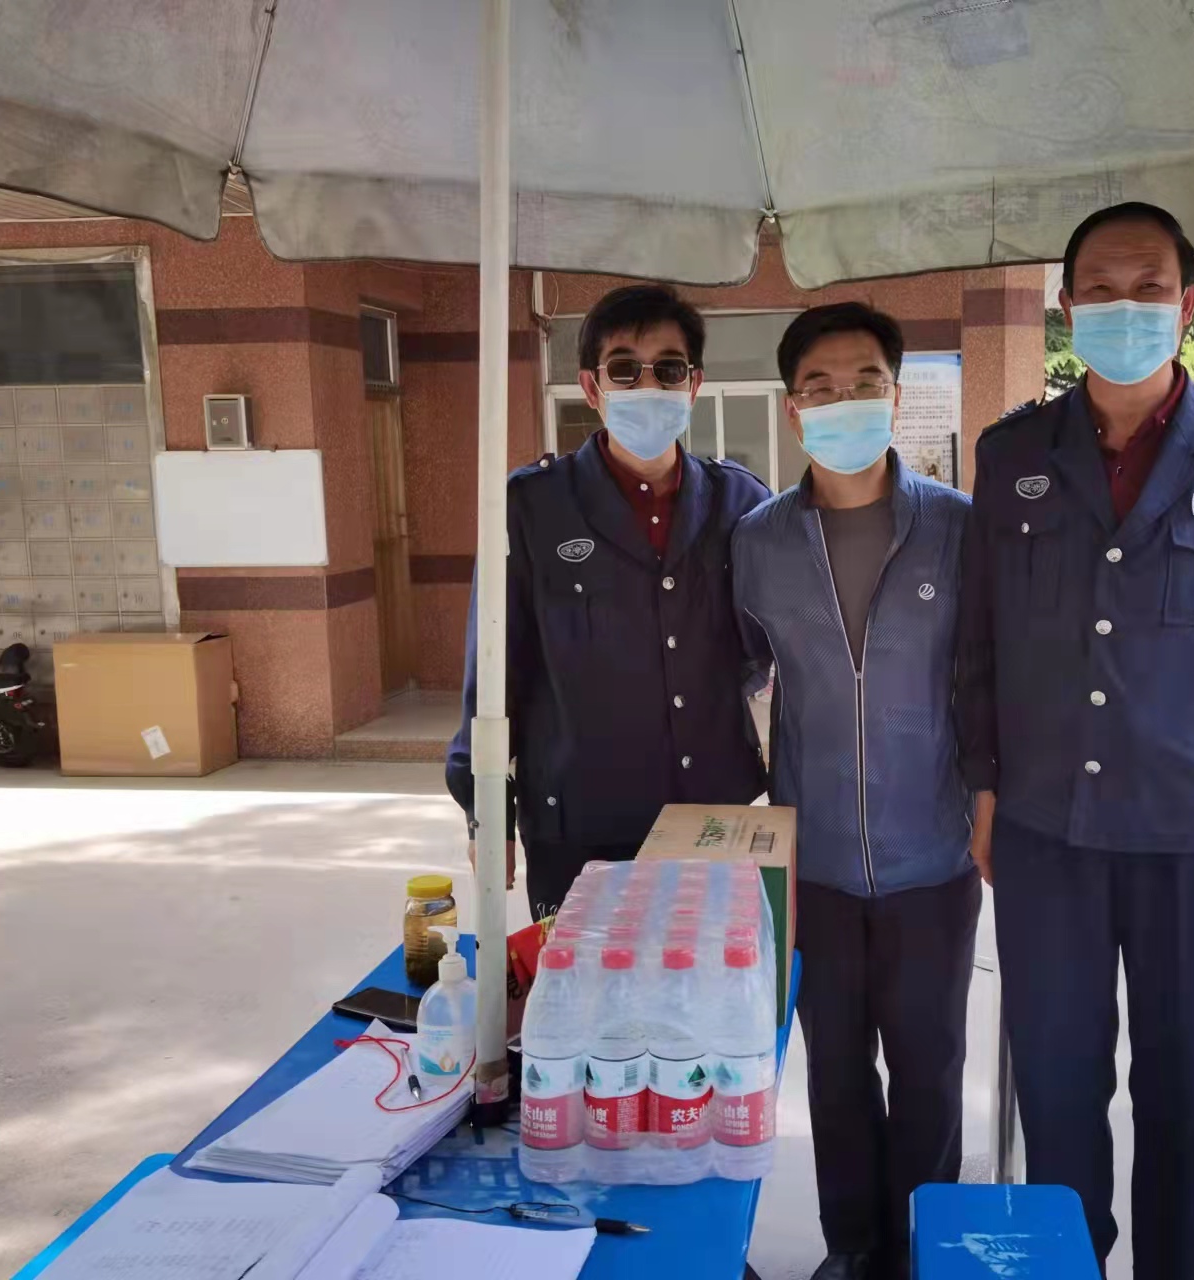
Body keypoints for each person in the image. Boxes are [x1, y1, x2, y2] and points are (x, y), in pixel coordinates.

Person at [957, 203, 1194, 1280]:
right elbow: (979, 643)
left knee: (1182, 1095)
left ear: (1187, 303)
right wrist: (983, 789)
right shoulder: (1012, 455)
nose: (1122, 308)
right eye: (1099, 289)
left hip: (1193, 833)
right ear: (1065, 304)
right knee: (1057, 1089)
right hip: (1045, 832)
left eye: (1147, 288)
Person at [733, 303, 984, 1280]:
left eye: (864, 382)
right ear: (792, 409)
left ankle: (917, 1249)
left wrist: (988, 808)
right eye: (820, 387)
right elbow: (741, 674)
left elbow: (990, 680)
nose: (844, 401)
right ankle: (852, 1245)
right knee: (835, 1071)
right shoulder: (758, 541)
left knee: (928, 1070)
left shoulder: (956, 528)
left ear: (895, 394)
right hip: (817, 863)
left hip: (935, 858)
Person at [446, 284, 771, 921]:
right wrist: (485, 810)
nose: (647, 385)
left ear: (694, 385)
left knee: (712, 979)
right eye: (624, 369)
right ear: (592, 388)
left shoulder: (741, 502)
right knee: (584, 986)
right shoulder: (531, 507)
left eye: (668, 369)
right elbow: (493, 670)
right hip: (579, 826)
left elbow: (773, 650)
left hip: (711, 820)